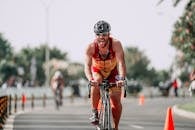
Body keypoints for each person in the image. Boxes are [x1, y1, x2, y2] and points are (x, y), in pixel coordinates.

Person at [84, 20, 126, 130]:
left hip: (113, 72)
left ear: (109, 34)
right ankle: (94, 112)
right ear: (95, 35)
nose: (101, 37)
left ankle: (116, 127)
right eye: (98, 34)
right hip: (97, 71)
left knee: (116, 102)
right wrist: (90, 79)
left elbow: (121, 63)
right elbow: (87, 66)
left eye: (104, 34)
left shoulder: (116, 44)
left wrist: (121, 78)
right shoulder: (91, 47)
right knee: (95, 81)